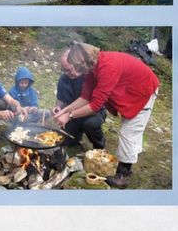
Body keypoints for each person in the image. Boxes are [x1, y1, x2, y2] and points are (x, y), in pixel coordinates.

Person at [53, 42, 159, 188]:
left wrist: (69, 116)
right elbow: (85, 97)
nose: (75, 71)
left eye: (75, 66)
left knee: (128, 132)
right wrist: (64, 111)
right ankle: (132, 152)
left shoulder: (108, 67)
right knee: (132, 131)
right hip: (131, 89)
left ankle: (123, 175)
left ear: (82, 61)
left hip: (143, 91)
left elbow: (95, 105)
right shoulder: (91, 69)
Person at [54, 47, 106, 150]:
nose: (67, 73)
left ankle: (99, 145)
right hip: (72, 114)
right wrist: (58, 108)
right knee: (66, 140)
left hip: (94, 112)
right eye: (64, 70)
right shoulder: (63, 80)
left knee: (90, 124)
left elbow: (94, 105)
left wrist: (68, 115)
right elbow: (60, 100)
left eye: (69, 69)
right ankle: (77, 136)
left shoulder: (89, 75)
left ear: (77, 64)